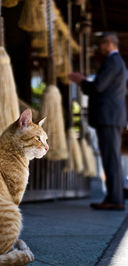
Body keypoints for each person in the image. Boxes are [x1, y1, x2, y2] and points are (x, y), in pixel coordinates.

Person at [69, 32, 127, 210]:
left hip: (108, 117)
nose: (98, 48)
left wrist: (81, 81)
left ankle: (115, 199)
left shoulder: (113, 61)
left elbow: (98, 87)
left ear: (109, 43)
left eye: (101, 44)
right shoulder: (117, 62)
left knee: (111, 159)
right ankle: (114, 197)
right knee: (112, 159)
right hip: (111, 117)